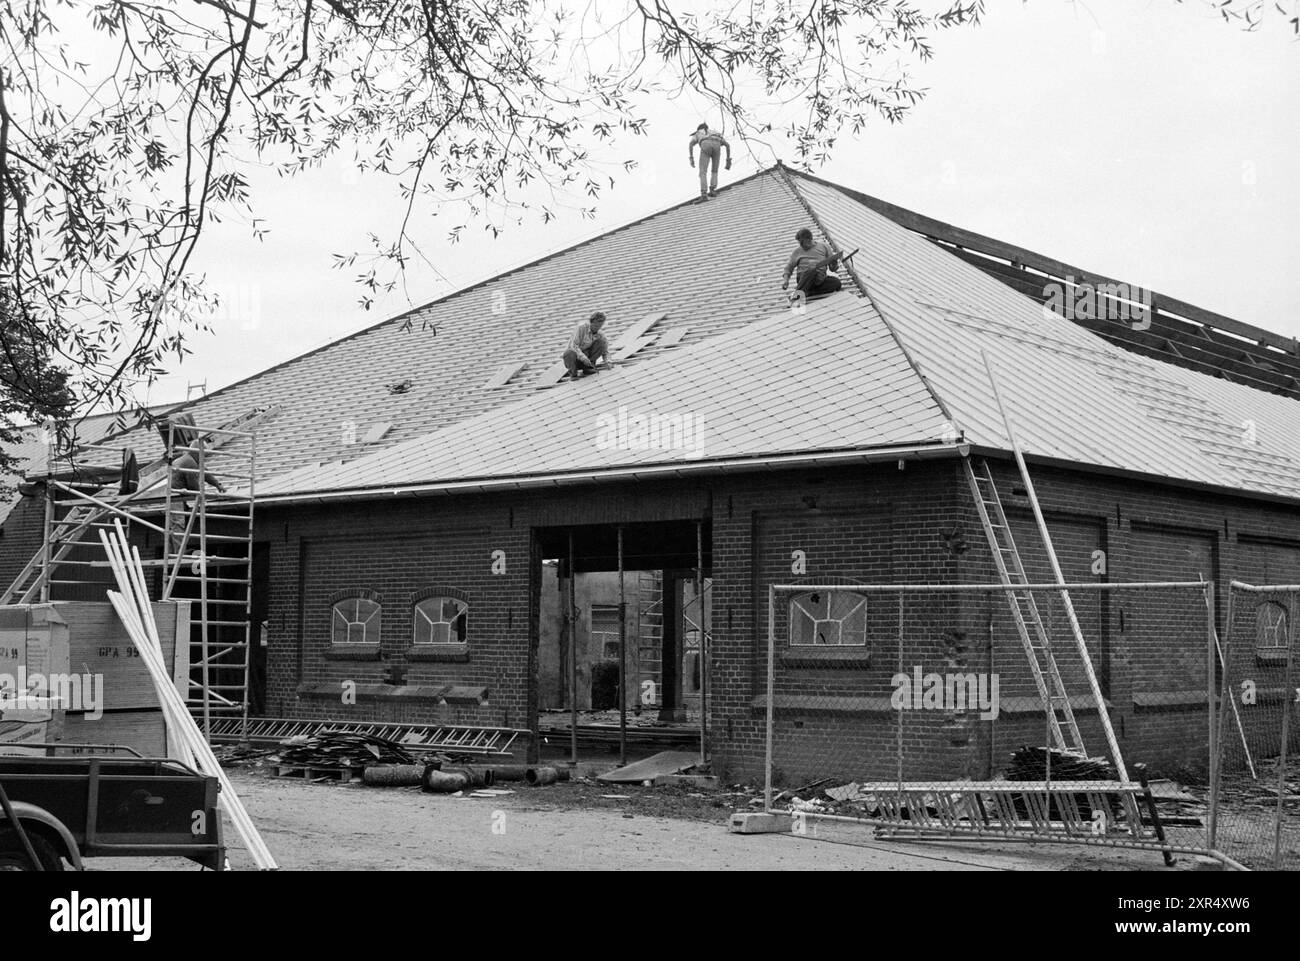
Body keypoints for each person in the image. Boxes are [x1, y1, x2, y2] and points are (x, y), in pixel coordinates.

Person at [781, 227, 843, 297]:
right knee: (812, 268)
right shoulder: (797, 252)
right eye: (799, 243)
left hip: (820, 279)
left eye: (802, 242)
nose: (800, 245)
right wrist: (786, 280)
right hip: (804, 279)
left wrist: (834, 264)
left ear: (809, 239)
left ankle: (807, 292)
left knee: (836, 283)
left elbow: (832, 268)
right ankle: (798, 294)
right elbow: (788, 268)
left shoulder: (824, 247)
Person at [688, 123, 731, 200]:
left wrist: (691, 158)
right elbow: (727, 145)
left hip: (705, 143)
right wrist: (728, 160)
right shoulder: (715, 132)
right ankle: (712, 190)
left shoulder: (698, 132)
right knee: (715, 170)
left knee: (703, 172)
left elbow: (691, 144)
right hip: (717, 144)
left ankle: (704, 194)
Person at [563, 311, 610, 378]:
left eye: (600, 326)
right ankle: (573, 373)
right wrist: (583, 358)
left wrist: (608, 361)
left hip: (587, 360)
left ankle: (588, 368)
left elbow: (605, 351)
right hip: (575, 359)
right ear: (591, 322)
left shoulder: (600, 334)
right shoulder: (581, 328)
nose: (597, 328)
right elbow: (573, 345)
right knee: (569, 352)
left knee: (601, 342)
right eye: (596, 326)